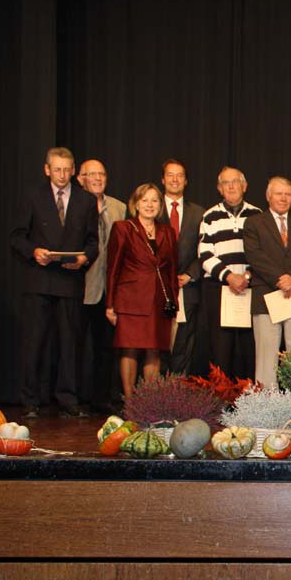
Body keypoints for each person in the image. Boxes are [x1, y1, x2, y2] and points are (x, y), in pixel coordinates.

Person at [10, 146, 99, 418]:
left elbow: (93, 242)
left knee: (70, 344)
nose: (62, 175)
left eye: (66, 170)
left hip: (70, 281)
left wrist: (84, 258)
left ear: (73, 171)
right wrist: (34, 251)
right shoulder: (33, 196)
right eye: (57, 169)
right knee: (34, 342)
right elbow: (17, 237)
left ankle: (68, 399)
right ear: (47, 170)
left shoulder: (86, 200)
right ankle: (30, 399)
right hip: (39, 281)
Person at [105, 183, 179, 398]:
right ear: (136, 204)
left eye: (154, 200)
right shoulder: (123, 228)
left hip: (158, 302)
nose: (150, 205)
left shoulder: (168, 232)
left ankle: (148, 403)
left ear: (160, 205)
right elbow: (113, 268)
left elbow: (172, 270)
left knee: (154, 350)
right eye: (145, 200)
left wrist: (174, 304)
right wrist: (110, 304)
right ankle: (130, 402)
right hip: (130, 300)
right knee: (129, 349)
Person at [244, 177, 291, 389]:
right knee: (266, 360)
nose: (283, 198)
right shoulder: (254, 223)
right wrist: (280, 280)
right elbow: (255, 256)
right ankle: (267, 404)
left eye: (288, 194)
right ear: (268, 196)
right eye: (278, 193)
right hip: (266, 298)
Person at [198, 166, 261, 380]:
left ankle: (248, 396)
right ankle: (221, 397)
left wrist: (247, 276)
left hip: (250, 288)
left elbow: (264, 254)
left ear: (244, 186)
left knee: (249, 349)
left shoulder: (257, 215)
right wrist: (229, 276)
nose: (231, 186)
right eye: (226, 183)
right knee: (221, 350)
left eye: (235, 181)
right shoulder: (209, 216)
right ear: (219, 188)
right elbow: (204, 254)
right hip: (219, 289)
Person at [78, 159, 125, 413]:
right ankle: (74, 399)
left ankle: (102, 399)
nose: (97, 178)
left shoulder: (119, 207)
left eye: (101, 174)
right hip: (81, 286)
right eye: (91, 174)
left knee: (106, 348)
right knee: (76, 346)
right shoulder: (75, 205)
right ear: (80, 179)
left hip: (110, 290)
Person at [161, 158, 205, 376]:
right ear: (163, 179)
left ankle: (178, 390)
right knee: (156, 343)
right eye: (170, 175)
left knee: (183, 343)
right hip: (156, 288)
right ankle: (154, 390)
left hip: (187, 287)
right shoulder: (150, 207)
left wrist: (190, 274)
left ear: (186, 181)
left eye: (180, 175)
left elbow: (205, 250)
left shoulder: (199, 213)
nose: (175, 179)